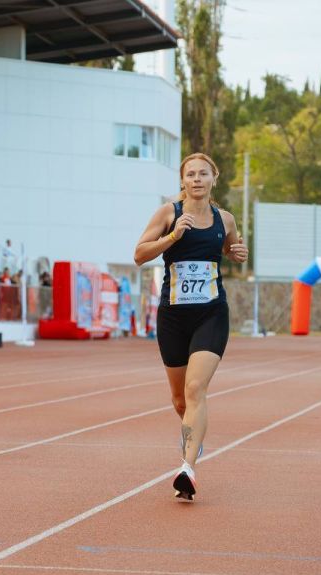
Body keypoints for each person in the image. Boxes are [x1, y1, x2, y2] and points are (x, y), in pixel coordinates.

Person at [133, 152, 248, 501]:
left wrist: (235, 253)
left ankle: (187, 468)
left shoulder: (225, 219)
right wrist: (172, 237)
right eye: (191, 174)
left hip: (211, 313)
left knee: (196, 388)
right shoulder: (169, 214)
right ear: (183, 181)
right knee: (181, 399)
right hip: (173, 316)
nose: (197, 179)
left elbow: (230, 246)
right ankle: (194, 437)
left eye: (203, 174)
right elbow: (139, 254)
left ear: (214, 178)